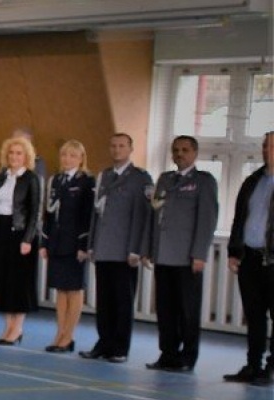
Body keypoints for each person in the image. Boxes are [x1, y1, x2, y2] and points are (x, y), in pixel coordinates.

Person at [145, 135, 218, 372]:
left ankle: (188, 357)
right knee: (165, 310)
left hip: (187, 257)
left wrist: (200, 254)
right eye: (176, 150)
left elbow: (206, 221)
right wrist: (150, 250)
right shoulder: (165, 179)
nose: (179, 154)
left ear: (195, 153)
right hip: (164, 255)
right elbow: (155, 216)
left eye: (185, 150)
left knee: (188, 310)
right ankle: (167, 353)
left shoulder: (204, 182)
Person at [80, 133, 152, 364]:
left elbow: (142, 216)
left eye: (122, 146)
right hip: (104, 248)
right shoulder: (105, 176)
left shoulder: (140, 178)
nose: (117, 149)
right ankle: (104, 343)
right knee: (104, 301)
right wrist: (92, 244)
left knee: (123, 302)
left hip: (124, 251)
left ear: (131, 149)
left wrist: (136, 249)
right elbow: (96, 214)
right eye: (113, 146)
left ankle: (120, 347)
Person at [225, 132, 274, 384]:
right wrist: (234, 251)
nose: (267, 150)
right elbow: (239, 219)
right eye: (265, 146)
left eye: (272, 146)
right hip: (251, 258)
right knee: (254, 316)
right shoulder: (253, 181)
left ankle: (270, 368)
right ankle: (252, 365)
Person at [39, 140, 96, 352]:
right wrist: (45, 241)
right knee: (61, 291)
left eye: (72, 156)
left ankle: (69, 335)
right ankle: (60, 333)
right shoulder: (56, 180)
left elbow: (87, 215)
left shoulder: (86, 181)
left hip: (75, 243)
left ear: (81, 159)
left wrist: (83, 244)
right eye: (64, 155)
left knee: (74, 290)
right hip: (57, 242)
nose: (67, 159)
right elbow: (49, 213)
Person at [0, 134, 42, 345]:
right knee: (4, 282)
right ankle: (7, 328)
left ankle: (17, 329)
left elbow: (35, 212)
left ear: (26, 156)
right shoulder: (1, 176)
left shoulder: (31, 178)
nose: (14, 156)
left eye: (19, 153)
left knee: (19, 283)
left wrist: (28, 239)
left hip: (20, 234)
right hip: (1, 232)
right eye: (11, 152)